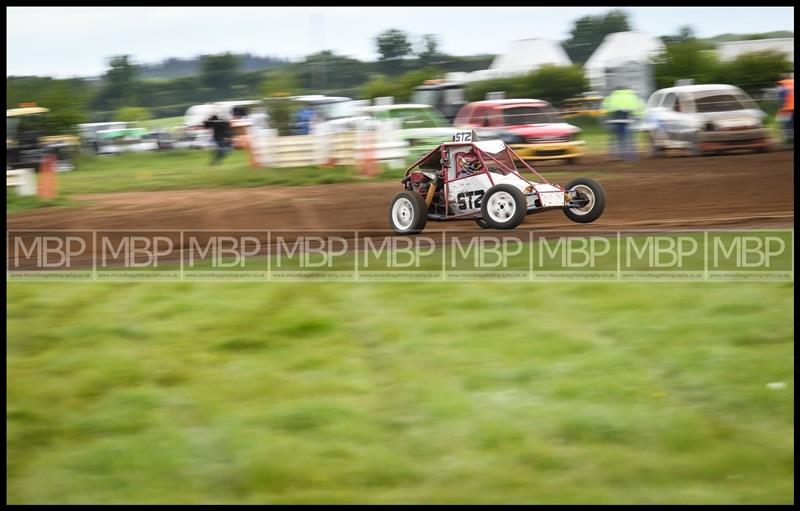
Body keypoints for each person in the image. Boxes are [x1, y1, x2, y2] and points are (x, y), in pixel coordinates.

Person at [601, 86, 645, 162]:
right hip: (628, 120)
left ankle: (616, 155)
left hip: (615, 121)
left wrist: (606, 120)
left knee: (618, 139)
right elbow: (640, 108)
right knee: (630, 140)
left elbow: (604, 109)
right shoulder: (633, 96)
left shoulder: (611, 97)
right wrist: (638, 117)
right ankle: (631, 157)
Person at [777, 74, 794, 146]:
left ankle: (789, 141)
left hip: (787, 109)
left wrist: (780, 108)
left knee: (785, 125)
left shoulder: (782, 86)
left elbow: (781, 99)